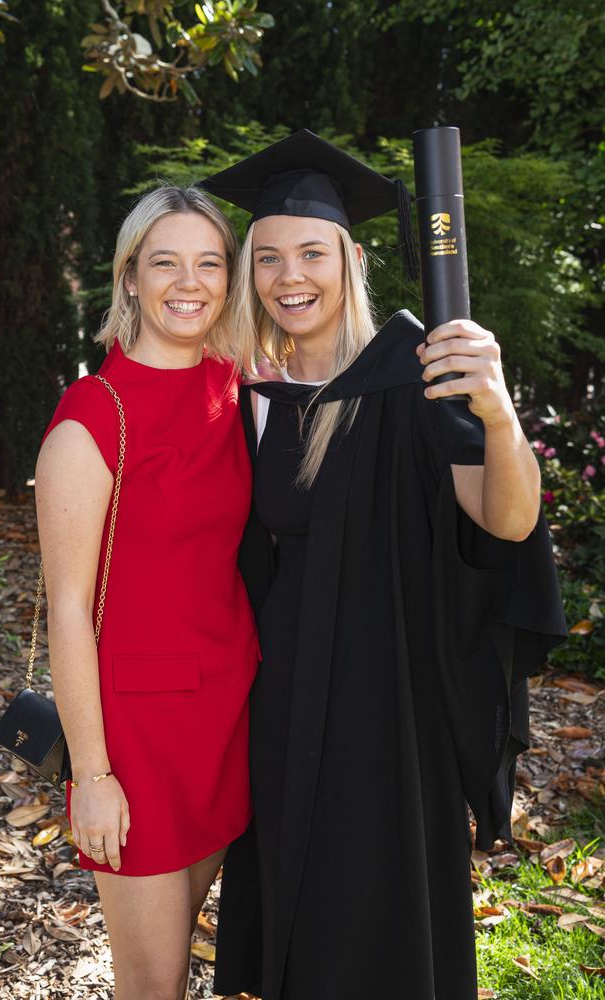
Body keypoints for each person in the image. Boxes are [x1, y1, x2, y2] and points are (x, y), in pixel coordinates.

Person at [201, 131, 567, 1000]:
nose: (291, 276)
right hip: (282, 702)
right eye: (269, 258)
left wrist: (500, 412)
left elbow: (506, 520)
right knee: (299, 925)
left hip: (392, 705)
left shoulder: (420, 371)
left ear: (351, 258)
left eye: (312, 253)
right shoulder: (248, 395)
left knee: (383, 919)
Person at [34, 186, 259, 1000]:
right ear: (130, 278)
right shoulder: (93, 416)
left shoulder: (238, 394)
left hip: (230, 718)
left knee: (187, 963)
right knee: (154, 984)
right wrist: (91, 774)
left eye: (209, 263)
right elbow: (68, 608)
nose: (188, 281)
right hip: (138, 741)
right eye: (165, 261)